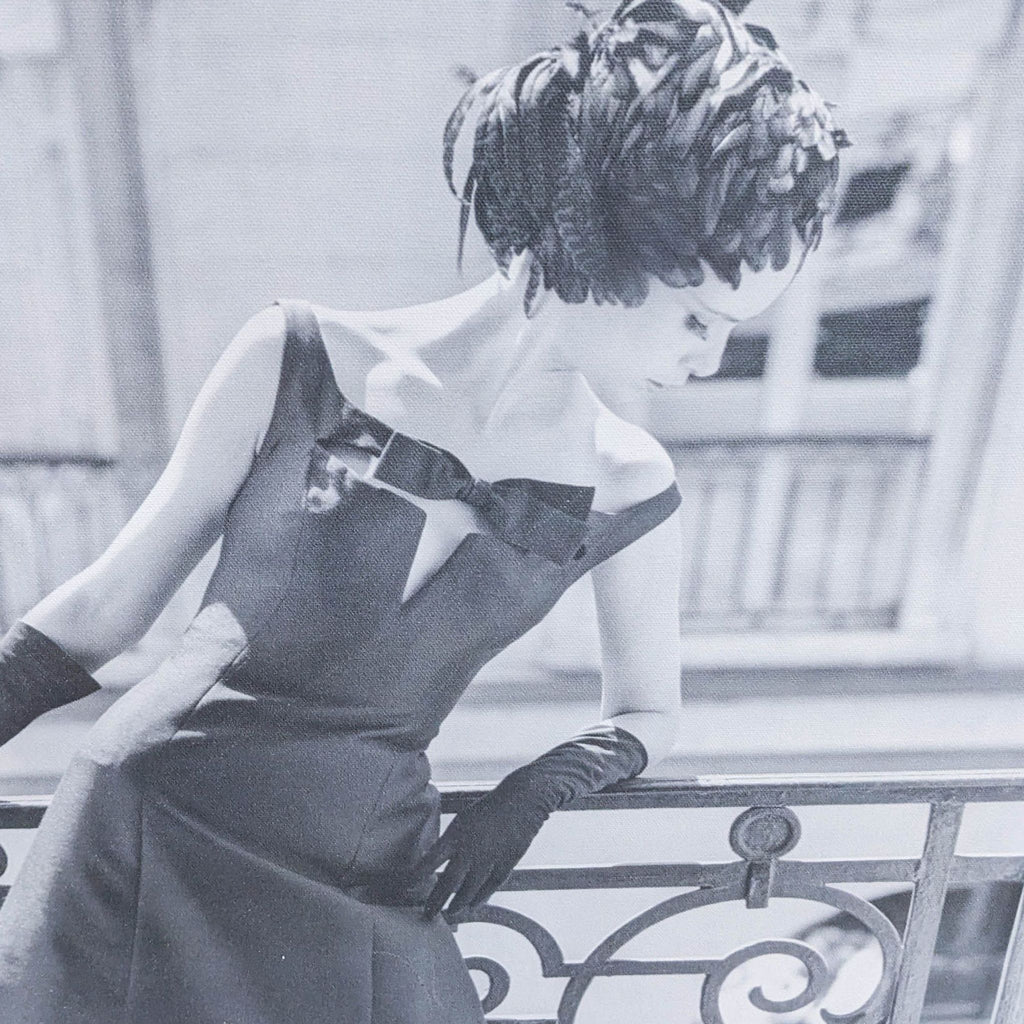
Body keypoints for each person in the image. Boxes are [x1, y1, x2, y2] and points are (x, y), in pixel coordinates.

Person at [0, 1, 847, 1021]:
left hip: (362, 871)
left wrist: (541, 787)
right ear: (604, 240)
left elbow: (648, 711)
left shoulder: (630, 479)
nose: (707, 360)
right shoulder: (298, 354)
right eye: (700, 318)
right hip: (145, 826)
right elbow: (104, 611)